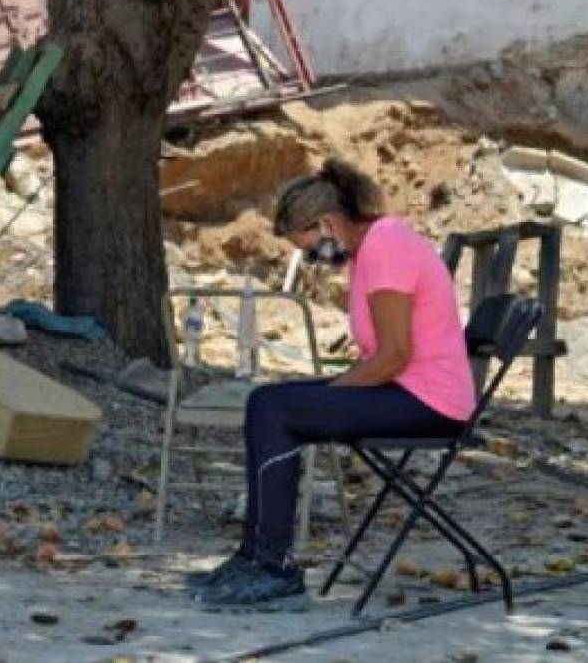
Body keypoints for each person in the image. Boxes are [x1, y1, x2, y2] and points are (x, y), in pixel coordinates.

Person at [189, 158, 474, 608]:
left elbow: (395, 355)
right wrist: (327, 394)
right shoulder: (369, 251)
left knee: (274, 408)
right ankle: (256, 557)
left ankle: (273, 567)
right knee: (267, 401)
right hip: (405, 390)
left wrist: (329, 396)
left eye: (308, 247)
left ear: (327, 224)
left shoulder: (386, 245)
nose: (312, 259)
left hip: (429, 401)